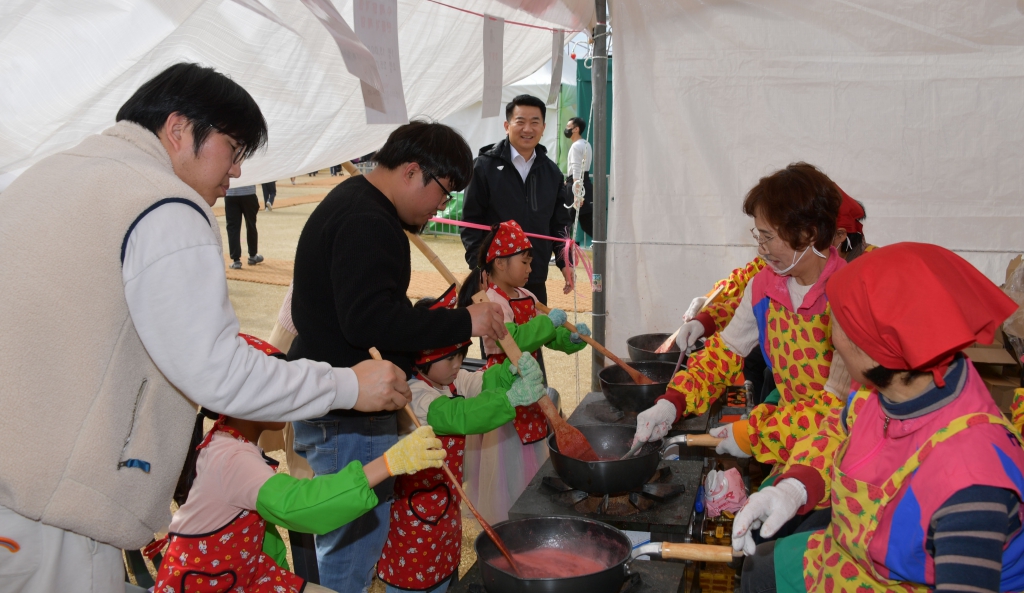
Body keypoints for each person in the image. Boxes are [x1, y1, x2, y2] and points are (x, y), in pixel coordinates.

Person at [0, 62, 410, 593]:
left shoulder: (50, 173)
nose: (237, 171)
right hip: (54, 508)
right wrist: (350, 385)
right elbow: (217, 369)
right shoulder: (164, 202)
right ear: (178, 129)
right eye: (233, 149)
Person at [287, 120, 507, 593]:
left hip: (335, 405)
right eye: (443, 192)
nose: (441, 206)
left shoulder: (358, 204)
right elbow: (369, 322)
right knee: (350, 556)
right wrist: (463, 322)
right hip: (349, 415)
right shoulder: (368, 220)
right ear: (413, 172)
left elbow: (370, 309)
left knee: (348, 549)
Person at [735, 243, 1024, 593]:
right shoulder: (888, 390)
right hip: (850, 556)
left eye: (837, 325)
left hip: (904, 582)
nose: (831, 340)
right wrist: (796, 487)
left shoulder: (972, 484)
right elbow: (837, 434)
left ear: (873, 348)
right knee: (758, 570)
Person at [152, 336, 446, 593]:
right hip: (207, 584)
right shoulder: (231, 458)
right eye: (278, 389)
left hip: (243, 574)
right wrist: (389, 463)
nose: (289, 398)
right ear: (241, 400)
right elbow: (299, 505)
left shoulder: (229, 442)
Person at [633, 163, 851, 486]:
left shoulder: (849, 295)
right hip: (788, 447)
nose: (760, 248)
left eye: (767, 237)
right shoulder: (763, 287)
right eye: (758, 235)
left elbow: (837, 407)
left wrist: (754, 434)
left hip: (843, 455)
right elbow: (723, 355)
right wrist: (671, 403)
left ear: (808, 234)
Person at [377, 288, 546, 593]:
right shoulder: (415, 396)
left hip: (445, 518)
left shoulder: (451, 381)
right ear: (423, 358)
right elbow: (461, 415)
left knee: (445, 577)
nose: (458, 365)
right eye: (450, 359)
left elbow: (483, 381)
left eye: (460, 357)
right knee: (411, 583)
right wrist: (511, 400)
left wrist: (509, 373)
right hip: (413, 525)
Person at [673, 189, 874, 404]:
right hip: (788, 384)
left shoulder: (868, 276)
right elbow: (746, 289)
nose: (763, 249)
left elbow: (838, 400)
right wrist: (709, 317)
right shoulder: (785, 261)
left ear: (840, 236)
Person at [457, 220, 590, 523]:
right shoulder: (490, 302)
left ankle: (527, 513)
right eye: (525, 261)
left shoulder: (526, 296)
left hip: (529, 386)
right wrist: (547, 324)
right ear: (500, 263)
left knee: (530, 450)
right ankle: (506, 520)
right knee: (507, 458)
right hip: (503, 384)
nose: (531, 268)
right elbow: (512, 340)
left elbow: (546, 337)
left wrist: (569, 339)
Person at [461, 95, 575, 304]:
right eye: (520, 122)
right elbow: (470, 222)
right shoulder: (484, 167)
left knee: (536, 333)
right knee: (498, 334)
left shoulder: (552, 173)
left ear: (543, 127)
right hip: (495, 278)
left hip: (535, 275)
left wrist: (566, 262)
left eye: (534, 122)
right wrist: (479, 268)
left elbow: (560, 224)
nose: (528, 129)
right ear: (507, 125)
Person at [563, 116, 593, 237]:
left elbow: (576, 170)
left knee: (565, 221)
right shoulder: (586, 144)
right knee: (587, 223)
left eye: (568, 127)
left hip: (577, 186)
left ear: (576, 129)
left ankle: (564, 251)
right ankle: (605, 245)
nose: (566, 129)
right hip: (584, 183)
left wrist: (576, 194)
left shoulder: (576, 146)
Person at [225, 183, 264, 269]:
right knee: (251, 225)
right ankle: (253, 256)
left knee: (233, 228)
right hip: (249, 193)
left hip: (231, 193)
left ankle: (236, 260)